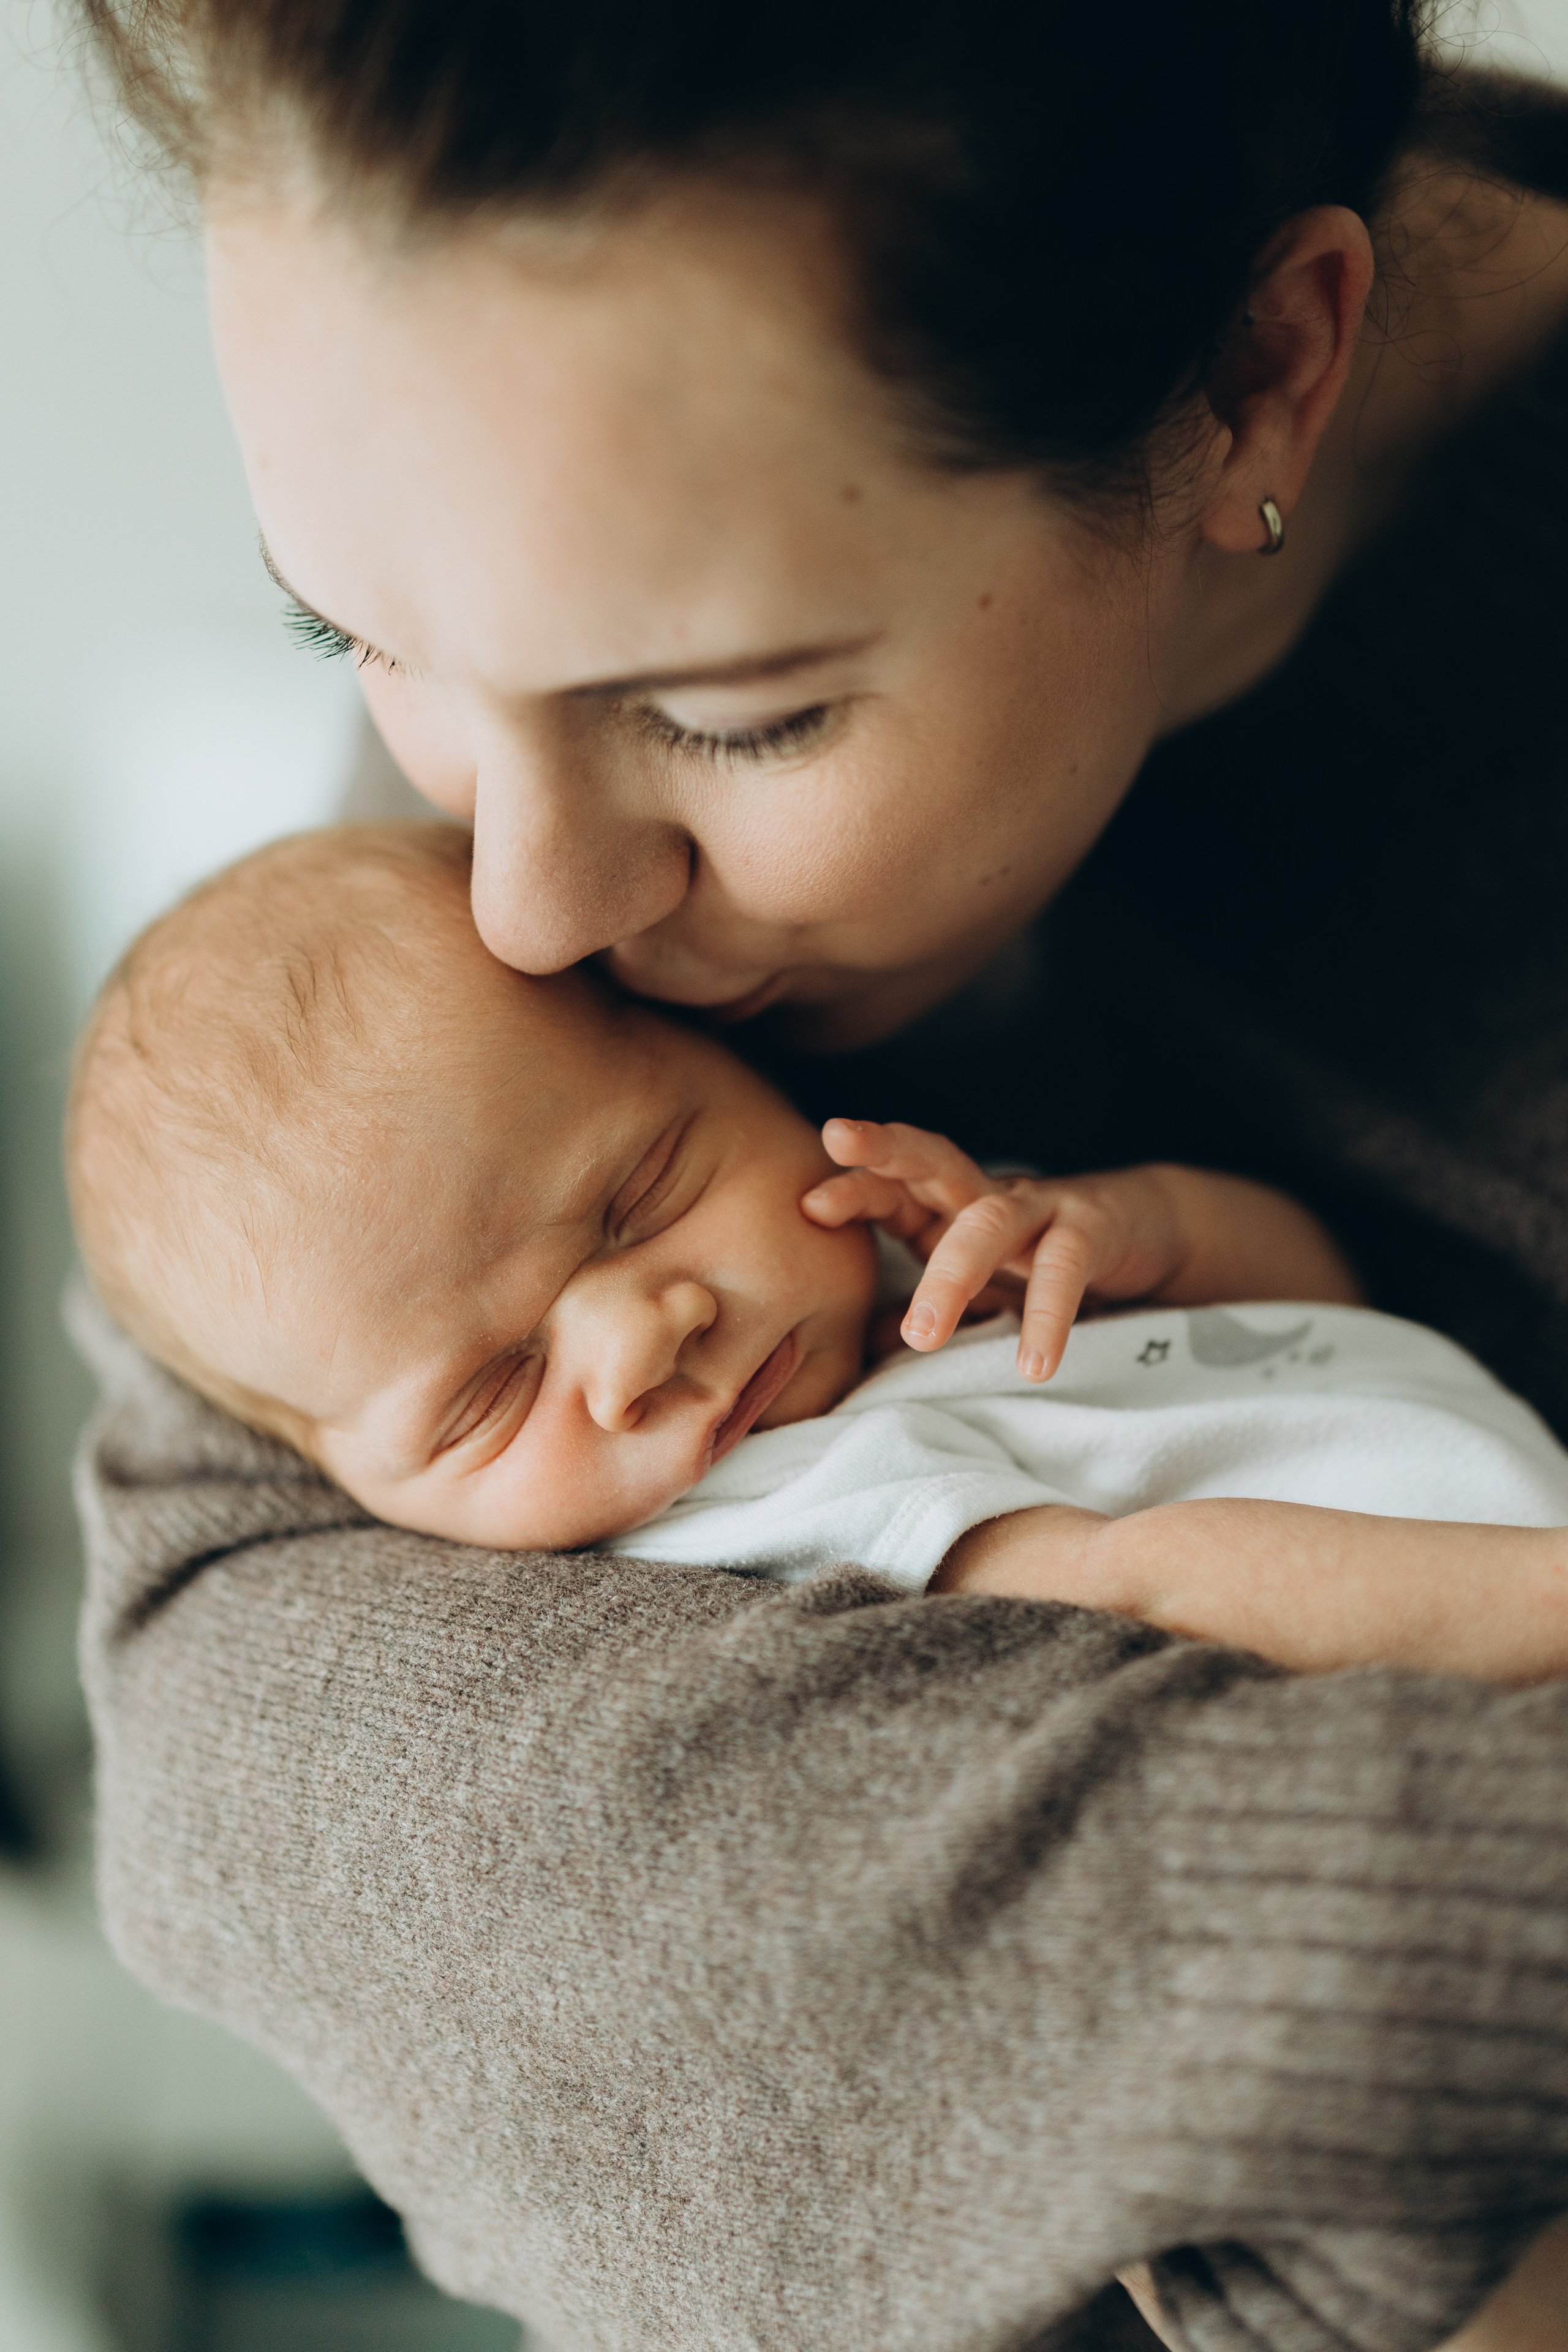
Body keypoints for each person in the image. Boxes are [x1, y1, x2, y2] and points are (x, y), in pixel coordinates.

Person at [67, 0, 1568, 2344]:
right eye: (358, 632)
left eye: (735, 710)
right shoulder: (544, 792)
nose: (524, 908)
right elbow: (227, 1705)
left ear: (1265, 374)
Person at [67, 820, 1568, 1688]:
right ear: (354, 1493)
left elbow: (1326, 1318)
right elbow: (1159, 1584)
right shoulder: (777, 1516)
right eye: (490, 1394)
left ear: (739, 1060)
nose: (636, 1339)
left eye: (643, 1192)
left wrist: (1136, 1234)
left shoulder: (932, 1259)